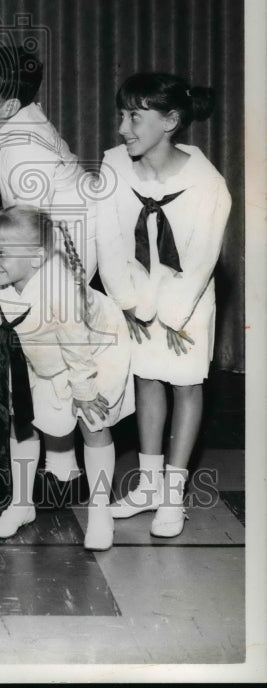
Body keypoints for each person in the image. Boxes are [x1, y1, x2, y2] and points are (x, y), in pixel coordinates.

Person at [96, 73, 231, 538]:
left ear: (170, 120)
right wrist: (128, 302)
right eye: (122, 115)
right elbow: (107, 238)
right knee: (146, 379)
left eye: (135, 116)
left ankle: (173, 495)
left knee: (186, 385)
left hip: (185, 302)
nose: (123, 127)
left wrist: (172, 315)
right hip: (135, 296)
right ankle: (149, 486)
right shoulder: (114, 165)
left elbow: (200, 258)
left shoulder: (207, 183)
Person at [0, 42, 96, 487]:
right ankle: (56, 468)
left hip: (56, 267)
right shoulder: (9, 126)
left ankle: (59, 473)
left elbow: (26, 237)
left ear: (11, 103)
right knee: (40, 370)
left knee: (42, 370)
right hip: (50, 257)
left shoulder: (22, 153)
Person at [0, 207, 134, 551]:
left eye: (2, 253)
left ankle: (100, 514)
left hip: (95, 348)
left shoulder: (60, 288)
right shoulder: (1, 283)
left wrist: (83, 388)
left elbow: (76, 344)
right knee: (21, 418)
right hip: (44, 354)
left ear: (37, 258)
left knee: (92, 419)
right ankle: (21, 504)